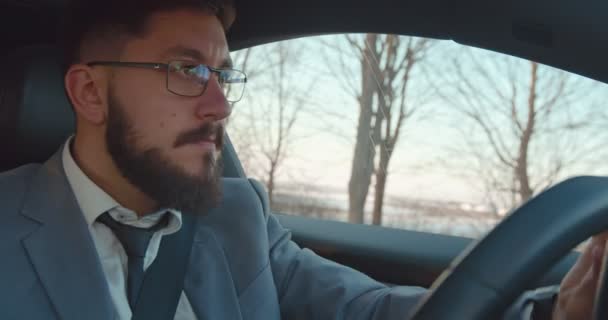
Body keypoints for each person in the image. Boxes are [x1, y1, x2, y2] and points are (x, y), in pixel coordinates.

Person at [0, 0, 601, 319]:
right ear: (89, 93)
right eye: (187, 71)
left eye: (225, 77)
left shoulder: (238, 218)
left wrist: (551, 315)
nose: (219, 105)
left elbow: (366, 311)